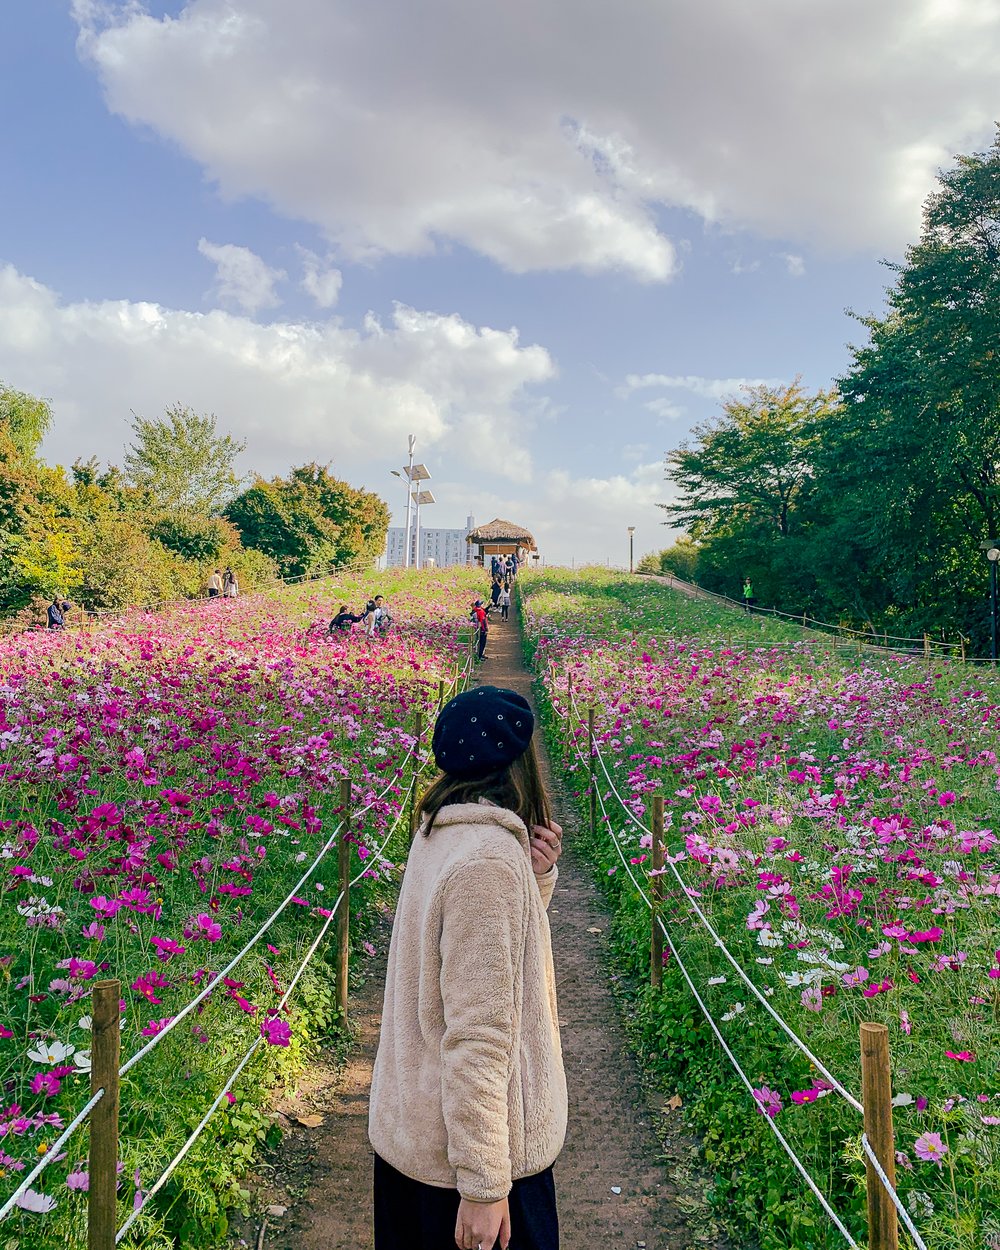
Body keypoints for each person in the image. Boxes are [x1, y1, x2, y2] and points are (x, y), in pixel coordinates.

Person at [369, 685, 566, 1250]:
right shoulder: (486, 864)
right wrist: (483, 1186)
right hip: (461, 1170)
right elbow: (478, 1032)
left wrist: (535, 882)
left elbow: (481, 965)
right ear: (521, 762)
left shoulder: (439, 832)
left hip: (419, 1145)